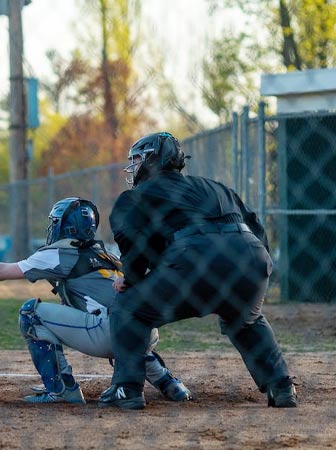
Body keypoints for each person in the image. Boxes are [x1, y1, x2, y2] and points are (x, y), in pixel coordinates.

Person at [99, 131, 297, 410]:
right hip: (250, 258)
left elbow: (134, 242)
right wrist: (260, 271)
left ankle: (127, 389)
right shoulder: (215, 186)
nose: (132, 166)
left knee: (129, 308)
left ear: (153, 161)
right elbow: (255, 227)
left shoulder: (136, 195)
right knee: (246, 319)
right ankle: (282, 386)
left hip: (195, 258)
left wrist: (130, 279)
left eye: (137, 159)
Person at [0, 197, 191, 404]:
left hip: (109, 333)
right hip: (144, 332)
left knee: (31, 314)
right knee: (121, 326)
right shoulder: (106, 254)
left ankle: (61, 389)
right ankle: (169, 383)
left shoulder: (60, 251)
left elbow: (1, 272)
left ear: (65, 227)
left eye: (54, 222)